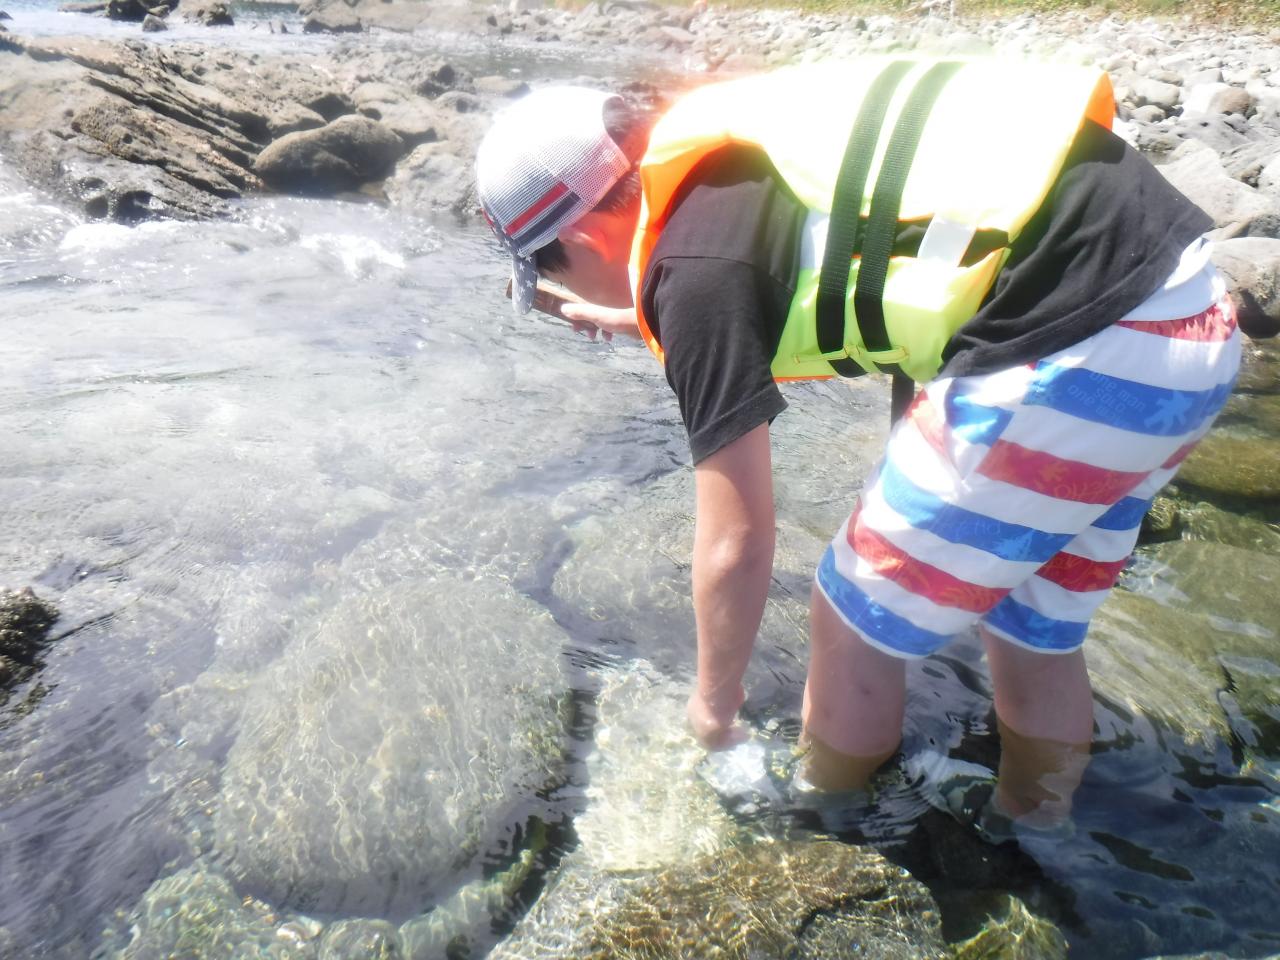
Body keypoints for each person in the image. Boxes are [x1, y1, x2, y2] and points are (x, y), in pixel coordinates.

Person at [474, 60, 1241, 830]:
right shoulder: (731, 172)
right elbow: (845, 274)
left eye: (546, 275)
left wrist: (713, 708)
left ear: (581, 233)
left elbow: (736, 541)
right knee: (1030, 623)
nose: (556, 295)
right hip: (1182, 318)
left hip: (1080, 353)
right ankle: (1037, 831)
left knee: (851, 610)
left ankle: (831, 824)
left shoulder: (694, 280)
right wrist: (657, 318)